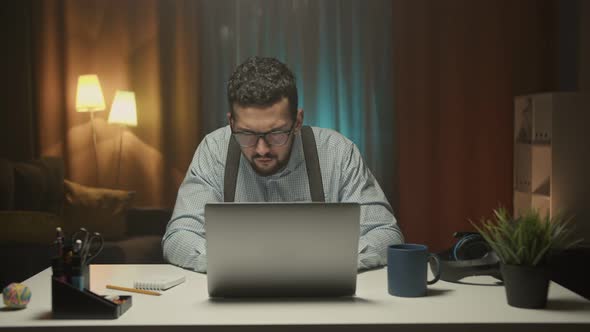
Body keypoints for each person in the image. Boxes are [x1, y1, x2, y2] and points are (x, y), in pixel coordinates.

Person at [162, 56, 404, 273]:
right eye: (246, 134)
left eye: (276, 134)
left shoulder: (337, 152)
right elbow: (179, 236)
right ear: (231, 122)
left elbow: (386, 235)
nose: (262, 149)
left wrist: (329, 261)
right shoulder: (214, 151)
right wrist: (232, 262)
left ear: (297, 121)